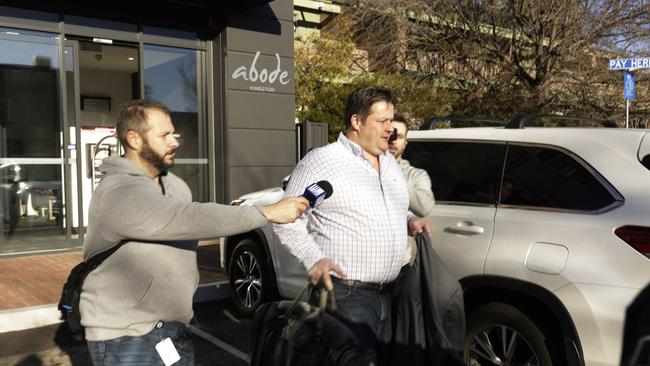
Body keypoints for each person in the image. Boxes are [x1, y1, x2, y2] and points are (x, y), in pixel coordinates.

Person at [80, 100, 308, 366]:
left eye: (173, 133)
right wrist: (265, 213)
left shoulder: (175, 185)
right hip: (125, 335)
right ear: (134, 139)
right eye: (164, 135)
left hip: (173, 328)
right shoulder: (117, 192)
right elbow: (185, 217)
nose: (174, 142)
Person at [274, 87, 430, 364]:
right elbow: (287, 219)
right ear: (357, 121)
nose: (390, 129)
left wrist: (409, 221)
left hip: (389, 293)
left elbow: (394, 205)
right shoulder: (322, 161)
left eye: (391, 121)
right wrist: (313, 259)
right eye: (382, 121)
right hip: (344, 296)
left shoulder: (389, 163)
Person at [388, 114, 434, 217]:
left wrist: (390, 177)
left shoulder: (417, 175)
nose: (393, 140)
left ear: (405, 142)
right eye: (390, 134)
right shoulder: (368, 168)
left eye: (399, 136)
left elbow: (424, 208)